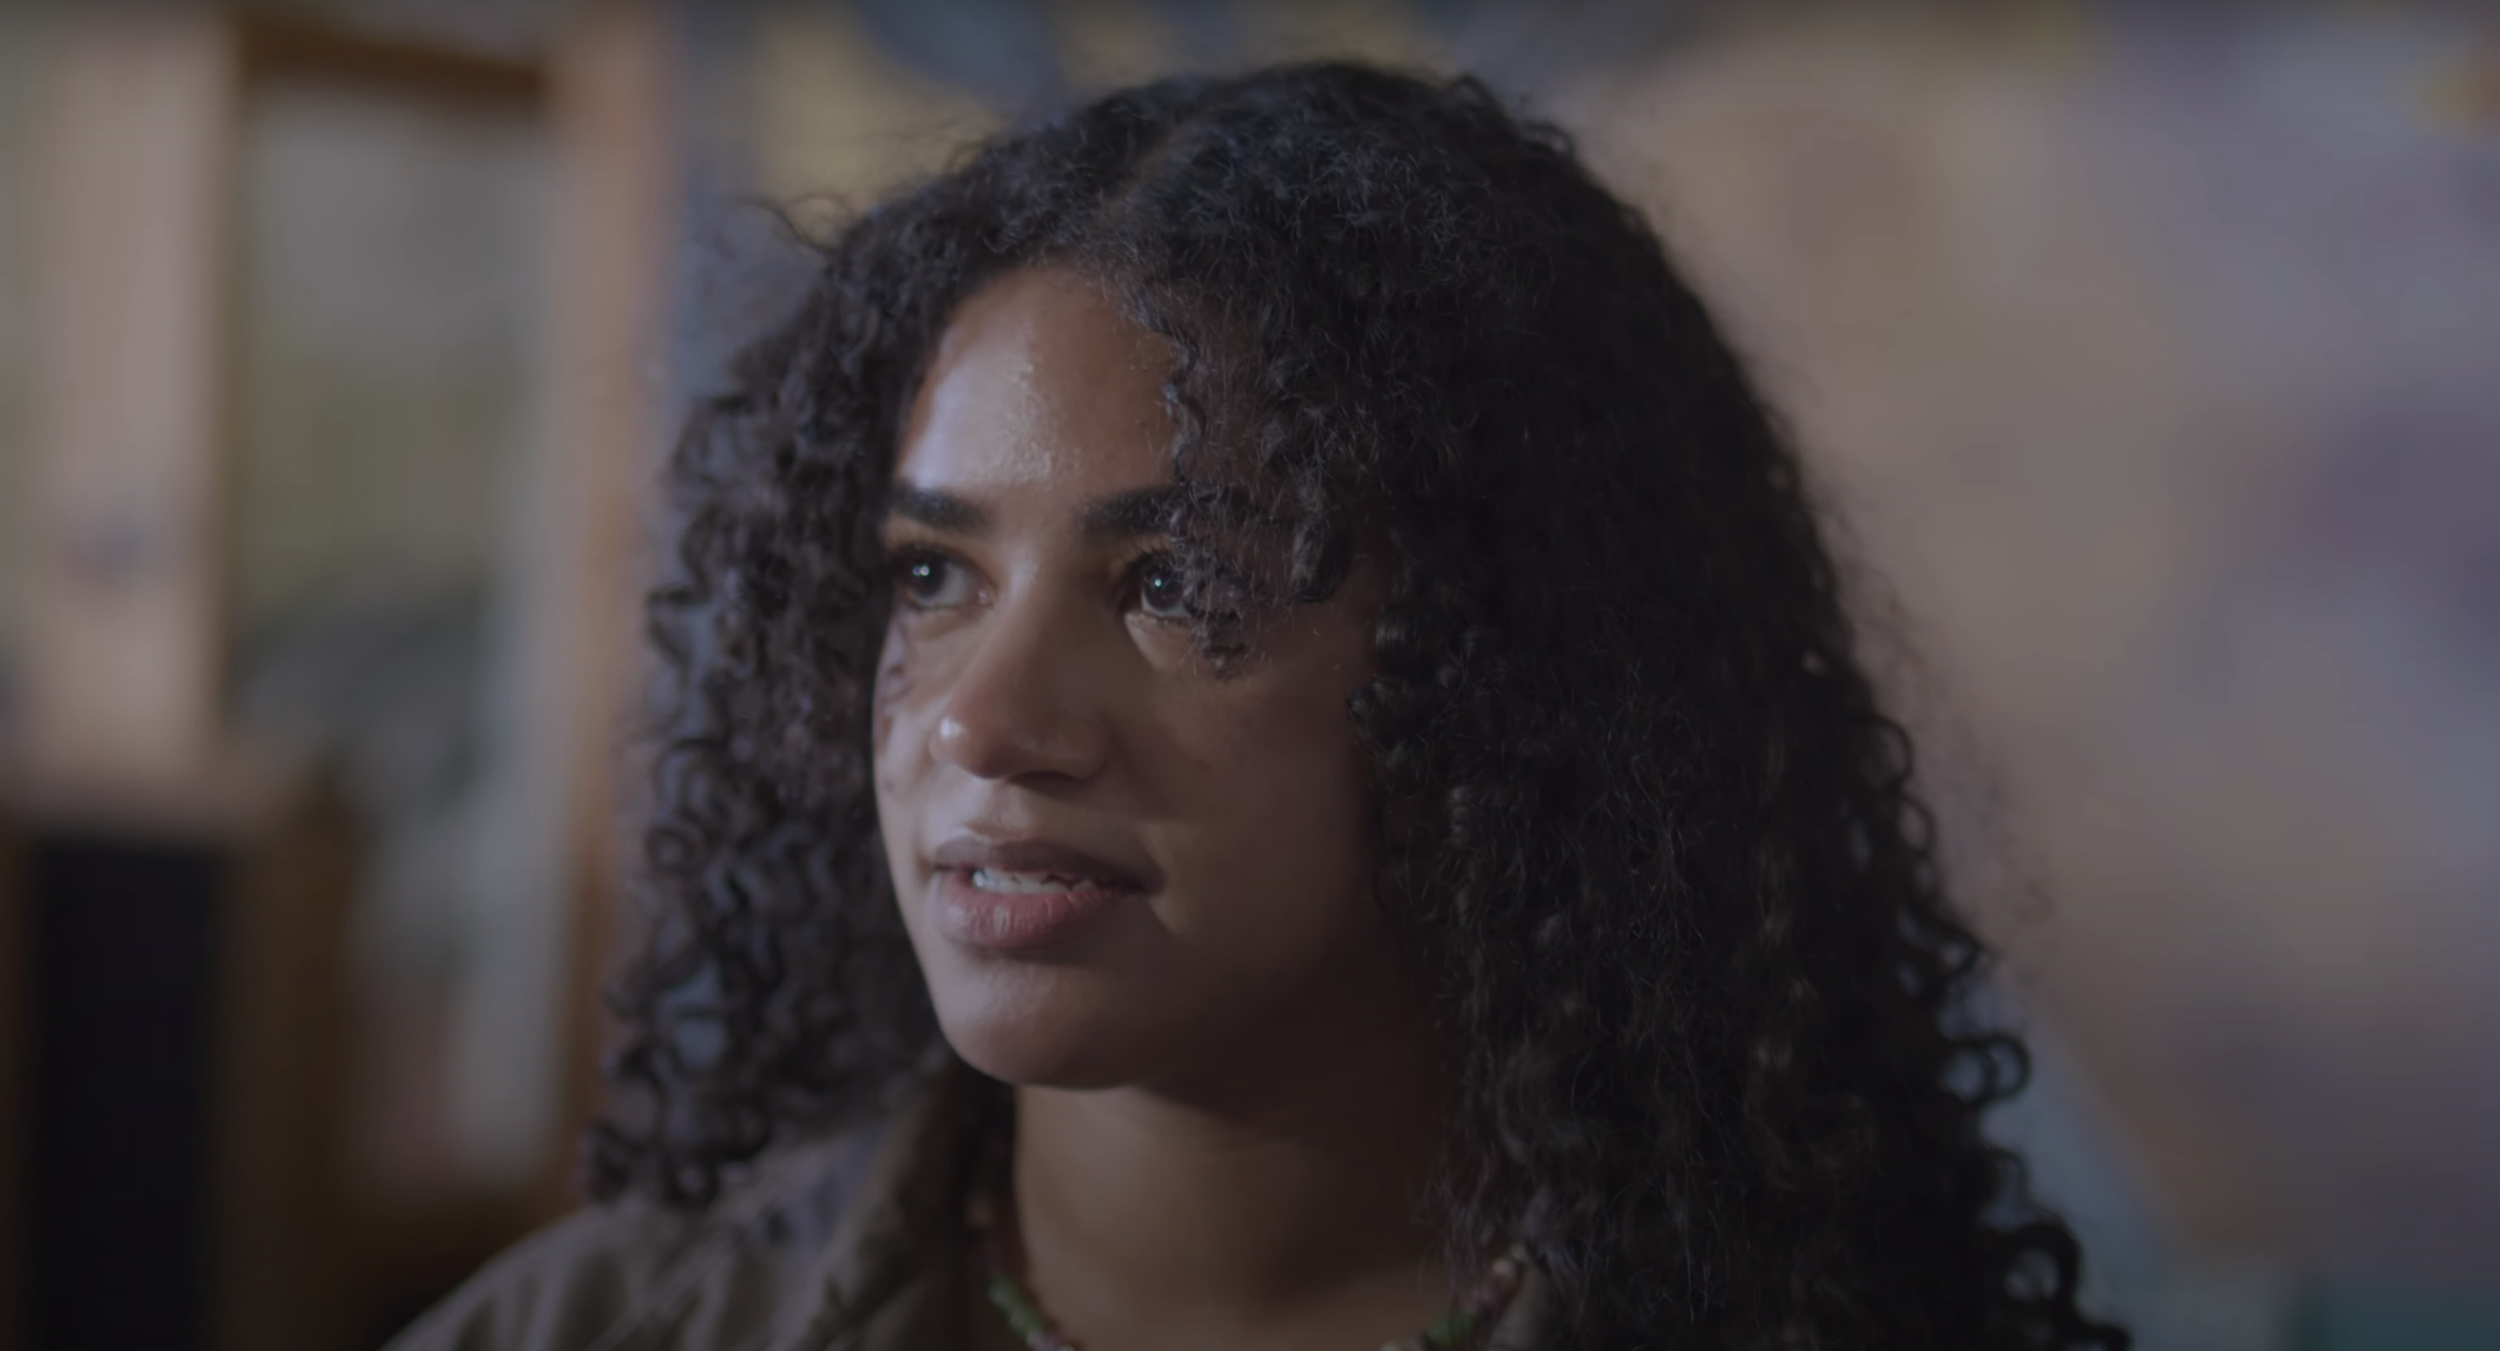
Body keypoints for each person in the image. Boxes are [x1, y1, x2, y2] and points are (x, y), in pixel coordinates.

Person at [390, 61, 2128, 1351]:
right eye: (933, 575)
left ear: (1503, 675)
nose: (984, 724)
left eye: (1175, 586)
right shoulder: (597, 1327)